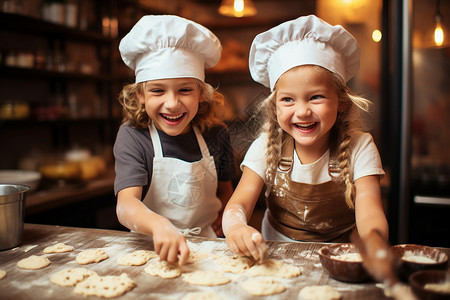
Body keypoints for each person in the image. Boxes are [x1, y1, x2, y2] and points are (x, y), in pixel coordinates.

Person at [222, 15, 388, 261]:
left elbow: (369, 211)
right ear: (275, 107)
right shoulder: (266, 146)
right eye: (288, 99)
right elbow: (239, 205)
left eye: (316, 97)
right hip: (276, 256)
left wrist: (374, 241)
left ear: (341, 102)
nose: (302, 111)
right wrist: (237, 228)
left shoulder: (360, 147)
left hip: (341, 258)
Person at [114, 15, 236, 266]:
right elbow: (126, 204)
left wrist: (226, 214)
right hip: (151, 251)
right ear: (141, 95)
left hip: (211, 249)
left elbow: (225, 190)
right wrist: (160, 226)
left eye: (185, 90)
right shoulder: (133, 136)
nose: (172, 103)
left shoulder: (216, 134)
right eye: (158, 90)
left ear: (201, 93)